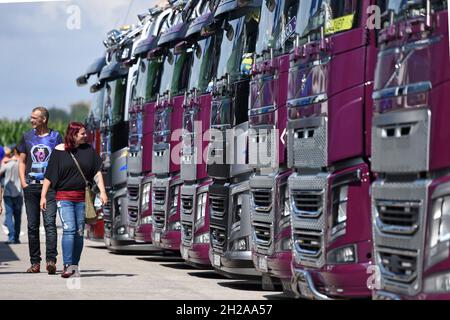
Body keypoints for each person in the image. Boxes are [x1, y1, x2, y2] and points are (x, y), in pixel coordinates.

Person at [41, 122, 107, 278]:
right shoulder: (58, 151)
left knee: (78, 232)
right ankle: (67, 265)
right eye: (82, 133)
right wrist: (43, 196)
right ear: (73, 134)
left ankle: (74, 265)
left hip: (82, 198)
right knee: (69, 229)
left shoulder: (88, 151)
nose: (86, 135)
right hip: (63, 198)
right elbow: (49, 175)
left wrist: (103, 192)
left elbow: (97, 173)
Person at [18, 107, 62, 274]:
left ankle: (51, 261)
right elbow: (22, 161)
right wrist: (23, 183)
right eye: (31, 117)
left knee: (50, 224)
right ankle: (35, 263)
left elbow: (60, 160)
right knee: (32, 226)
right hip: (31, 187)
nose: (31, 120)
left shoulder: (56, 137)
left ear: (44, 119)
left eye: (34, 118)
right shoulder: (27, 137)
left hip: (50, 188)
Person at [0, 146, 23, 244]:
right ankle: (16, 238)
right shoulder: (22, 164)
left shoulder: (7, 163)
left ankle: (11, 237)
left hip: (8, 193)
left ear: (14, 151)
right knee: (18, 216)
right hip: (19, 192)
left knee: (9, 215)